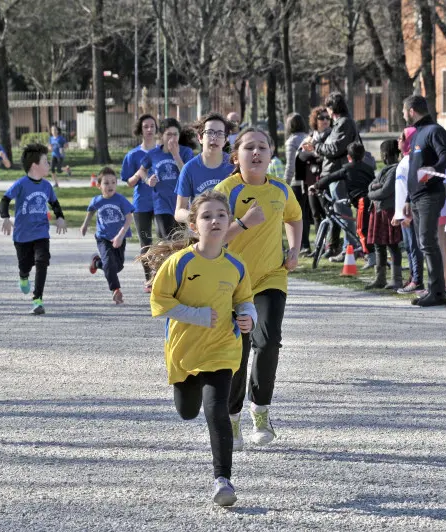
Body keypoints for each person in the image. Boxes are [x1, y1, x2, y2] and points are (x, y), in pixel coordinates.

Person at [142, 190, 256, 507]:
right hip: (184, 352)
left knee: (215, 410)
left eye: (221, 215)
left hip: (222, 348)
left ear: (229, 221)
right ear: (194, 226)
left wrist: (248, 316)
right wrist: (197, 316)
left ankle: (223, 481)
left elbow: (244, 299)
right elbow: (160, 303)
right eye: (206, 216)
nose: (215, 220)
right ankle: (187, 392)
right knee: (188, 410)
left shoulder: (236, 264)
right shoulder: (178, 264)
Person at [214, 127, 302, 450]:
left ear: (271, 154)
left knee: (269, 341)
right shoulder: (226, 191)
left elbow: (295, 218)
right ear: (235, 157)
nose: (256, 152)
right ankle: (232, 416)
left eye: (262, 147)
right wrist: (242, 223)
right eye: (249, 147)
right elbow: (212, 238)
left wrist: (294, 249)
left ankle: (260, 409)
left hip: (271, 278)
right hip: (234, 284)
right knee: (239, 349)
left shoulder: (281, 190)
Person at [0, 143, 67, 315]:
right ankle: (23, 276)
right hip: (22, 235)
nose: (49, 165)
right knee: (26, 265)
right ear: (35, 165)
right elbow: (5, 200)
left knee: (42, 261)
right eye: (46, 162)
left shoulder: (46, 186)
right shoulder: (21, 184)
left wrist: (60, 217)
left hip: (41, 232)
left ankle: (37, 299)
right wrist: (6, 218)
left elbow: (54, 203)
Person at [403, 95, 446, 307]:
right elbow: (413, 168)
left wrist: (435, 168)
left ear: (412, 110)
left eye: (404, 110)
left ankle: (437, 292)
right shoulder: (416, 134)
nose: (403, 114)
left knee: (427, 241)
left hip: (430, 194)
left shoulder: (434, 130)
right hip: (415, 196)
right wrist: (407, 198)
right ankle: (432, 289)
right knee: (422, 242)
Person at [302, 92, 364, 264]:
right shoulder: (340, 124)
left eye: (327, 109)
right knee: (338, 213)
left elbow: (335, 148)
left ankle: (350, 248)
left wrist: (316, 146)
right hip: (333, 172)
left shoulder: (344, 123)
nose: (326, 114)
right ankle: (345, 247)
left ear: (332, 108)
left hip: (338, 173)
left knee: (343, 213)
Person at [311, 142, 375, 266]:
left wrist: (316, 185)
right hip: (372, 200)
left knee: (362, 230)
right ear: (362, 156)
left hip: (362, 202)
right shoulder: (368, 168)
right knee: (368, 229)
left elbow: (330, 177)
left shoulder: (347, 168)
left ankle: (370, 257)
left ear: (348, 157)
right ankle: (371, 254)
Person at [130, 118, 194, 239]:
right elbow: (142, 170)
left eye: (175, 134)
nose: (172, 138)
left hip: (182, 204)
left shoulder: (186, 152)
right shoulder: (153, 153)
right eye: (168, 134)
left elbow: (188, 174)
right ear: (161, 135)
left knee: (181, 242)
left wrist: (176, 155)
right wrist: (148, 180)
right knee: (168, 240)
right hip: (161, 204)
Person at [82, 167, 134, 305]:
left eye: (113, 182)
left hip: (119, 237)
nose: (110, 185)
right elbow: (91, 211)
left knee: (118, 267)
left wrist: (120, 235)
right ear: (99, 186)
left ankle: (96, 262)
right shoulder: (97, 200)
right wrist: (85, 225)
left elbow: (129, 218)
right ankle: (116, 290)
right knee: (110, 264)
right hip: (103, 238)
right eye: (106, 183)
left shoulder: (121, 200)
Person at [174, 113, 235, 223]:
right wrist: (199, 218)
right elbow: (179, 211)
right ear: (200, 138)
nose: (214, 137)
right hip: (200, 235)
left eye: (220, 133)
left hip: (230, 234)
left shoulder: (234, 167)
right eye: (210, 132)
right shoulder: (189, 168)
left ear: (225, 139)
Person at [122, 114, 158, 291]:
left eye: (152, 126)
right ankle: (149, 279)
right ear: (140, 130)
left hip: (162, 203)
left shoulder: (162, 151)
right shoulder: (133, 155)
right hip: (142, 203)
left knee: (164, 241)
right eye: (146, 126)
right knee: (146, 242)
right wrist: (139, 174)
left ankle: (164, 278)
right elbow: (128, 182)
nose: (150, 129)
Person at [365, 139, 403, 289]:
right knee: (378, 244)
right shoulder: (384, 170)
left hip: (388, 211)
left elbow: (386, 190)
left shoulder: (394, 170)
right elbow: (371, 185)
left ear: (385, 154)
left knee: (392, 245)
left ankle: (396, 278)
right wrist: (374, 188)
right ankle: (380, 278)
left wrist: (372, 193)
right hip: (378, 211)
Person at [393, 127, 425, 293]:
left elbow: (412, 188)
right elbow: (400, 188)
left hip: (410, 212)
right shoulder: (404, 159)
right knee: (408, 246)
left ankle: (418, 280)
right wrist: (397, 213)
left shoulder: (413, 160)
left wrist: (409, 212)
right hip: (402, 212)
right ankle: (413, 276)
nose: (398, 141)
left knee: (414, 246)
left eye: (401, 138)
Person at [300, 107, 335, 257]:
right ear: (315, 121)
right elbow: (301, 155)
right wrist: (312, 153)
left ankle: (330, 246)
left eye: (327, 118)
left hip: (325, 178)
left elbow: (329, 154)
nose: (325, 120)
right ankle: (318, 247)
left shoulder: (332, 135)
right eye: (322, 118)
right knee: (315, 215)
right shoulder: (310, 136)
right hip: (310, 180)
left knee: (327, 212)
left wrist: (313, 152)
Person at [283, 113, 312, 255]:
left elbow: (290, 165)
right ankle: (307, 244)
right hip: (310, 180)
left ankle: (302, 244)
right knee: (306, 213)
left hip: (296, 182)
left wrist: (285, 184)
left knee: (296, 215)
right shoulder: (308, 138)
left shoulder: (291, 141)